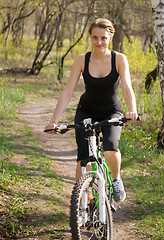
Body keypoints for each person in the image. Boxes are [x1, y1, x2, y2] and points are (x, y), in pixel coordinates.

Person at [45, 18, 138, 202]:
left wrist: (132, 110)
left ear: (110, 37)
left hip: (112, 112)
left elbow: (127, 87)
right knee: (84, 156)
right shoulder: (82, 59)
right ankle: (80, 201)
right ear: (90, 37)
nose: (99, 42)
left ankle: (116, 178)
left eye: (103, 37)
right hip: (86, 111)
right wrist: (54, 121)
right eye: (95, 37)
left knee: (110, 149)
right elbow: (68, 91)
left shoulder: (119, 59)